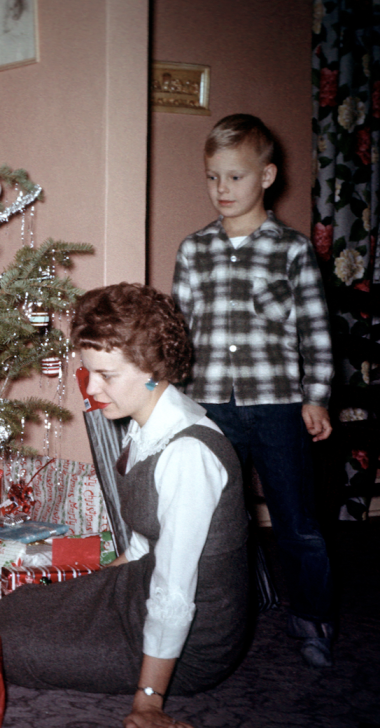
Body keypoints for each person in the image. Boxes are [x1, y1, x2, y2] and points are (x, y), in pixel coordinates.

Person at [0, 283, 249, 728]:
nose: (92, 387)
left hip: (193, 642)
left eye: (107, 375)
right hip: (139, 588)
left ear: (153, 368)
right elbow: (149, 540)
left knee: (8, 646)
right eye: (88, 372)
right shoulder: (148, 422)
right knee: (10, 612)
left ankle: (151, 679)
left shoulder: (188, 454)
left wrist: (148, 701)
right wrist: (94, 592)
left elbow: (174, 591)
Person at [172, 113, 335, 668]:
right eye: (213, 177)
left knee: (298, 522)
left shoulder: (291, 251)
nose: (222, 189)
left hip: (279, 404)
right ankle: (216, 617)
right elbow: (180, 333)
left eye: (235, 177)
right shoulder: (194, 251)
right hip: (212, 401)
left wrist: (316, 395)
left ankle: (313, 617)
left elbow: (314, 328)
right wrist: (175, 399)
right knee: (217, 520)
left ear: (266, 177)